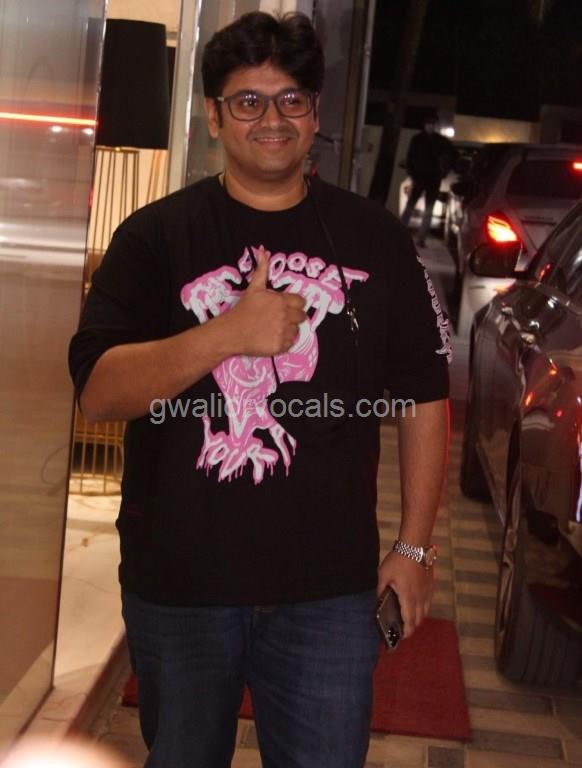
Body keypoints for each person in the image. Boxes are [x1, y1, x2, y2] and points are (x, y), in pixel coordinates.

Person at [69, 11, 451, 768]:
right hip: (179, 583)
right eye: (248, 100)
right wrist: (227, 335)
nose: (272, 119)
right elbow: (100, 392)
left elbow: (422, 395)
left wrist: (414, 547)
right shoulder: (153, 237)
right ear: (213, 115)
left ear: (314, 114)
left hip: (328, 591)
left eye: (291, 99)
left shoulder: (376, 241)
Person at [400, 113, 456, 247]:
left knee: (428, 210)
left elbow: (454, 154)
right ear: (425, 125)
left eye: (432, 124)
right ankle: (400, 232)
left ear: (435, 126)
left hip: (433, 179)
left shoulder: (440, 140)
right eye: (428, 124)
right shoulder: (417, 139)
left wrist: (444, 171)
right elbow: (410, 157)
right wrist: (412, 173)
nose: (430, 127)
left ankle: (421, 238)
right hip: (419, 178)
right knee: (410, 206)